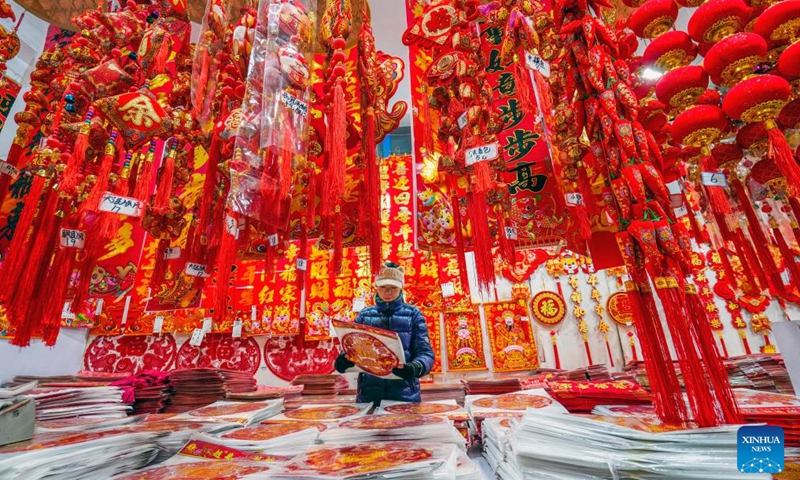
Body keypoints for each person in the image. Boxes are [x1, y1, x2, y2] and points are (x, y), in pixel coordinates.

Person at [335, 262, 435, 404]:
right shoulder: (364, 315)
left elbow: (425, 352)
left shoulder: (413, 315)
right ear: (376, 287)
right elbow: (351, 348)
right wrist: (343, 361)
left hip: (405, 395)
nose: (388, 292)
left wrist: (415, 367)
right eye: (383, 287)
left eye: (393, 288)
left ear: (401, 288)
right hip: (369, 395)